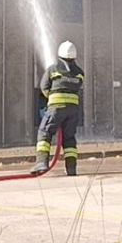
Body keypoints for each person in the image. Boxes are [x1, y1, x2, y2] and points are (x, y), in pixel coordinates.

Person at [30, 40, 84, 176]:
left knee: (44, 133)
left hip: (56, 109)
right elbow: (77, 87)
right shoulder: (79, 73)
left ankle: (42, 162)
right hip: (73, 111)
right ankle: (71, 169)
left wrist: (51, 97)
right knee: (69, 139)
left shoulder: (52, 69)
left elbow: (44, 87)